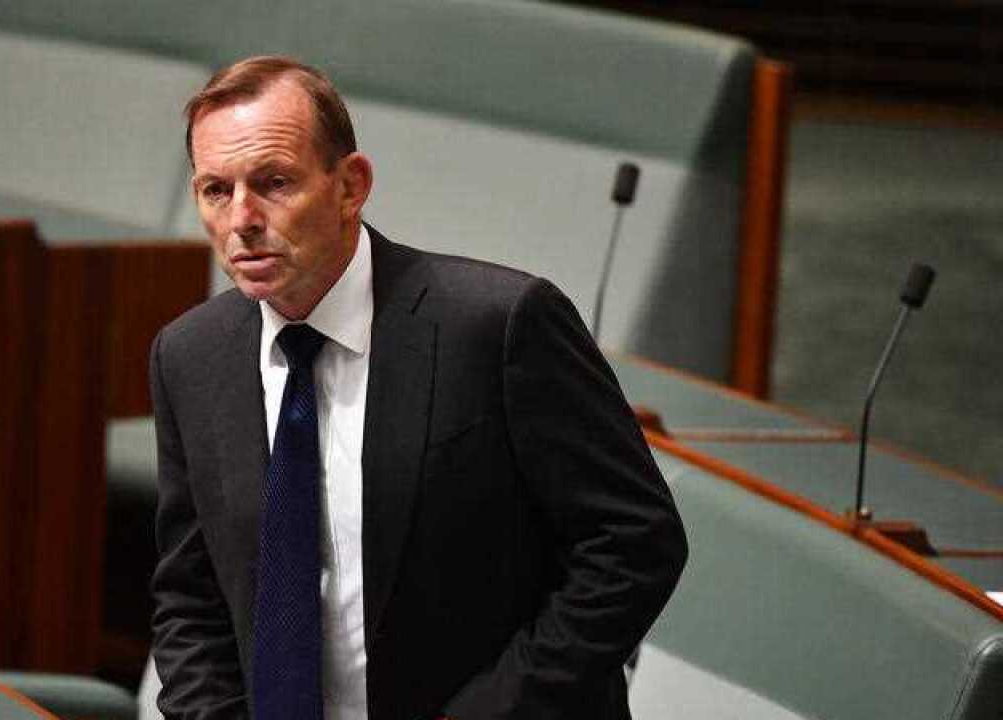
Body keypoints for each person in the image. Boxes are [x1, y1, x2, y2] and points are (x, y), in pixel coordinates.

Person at [149, 55, 687, 720]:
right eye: (215, 191)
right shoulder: (190, 358)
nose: (242, 219)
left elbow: (633, 545)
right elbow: (191, 595)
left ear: (351, 186)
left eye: (274, 182)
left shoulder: (498, 326)